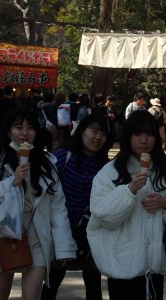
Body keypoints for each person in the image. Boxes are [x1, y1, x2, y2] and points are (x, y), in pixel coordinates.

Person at [86, 110, 166, 300]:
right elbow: (102, 215)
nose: (144, 140)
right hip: (121, 264)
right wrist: (129, 191)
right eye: (137, 134)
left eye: (149, 134)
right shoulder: (110, 172)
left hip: (154, 267)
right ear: (128, 137)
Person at [0, 109, 76, 300]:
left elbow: (58, 208)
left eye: (30, 128)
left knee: (31, 296)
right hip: (3, 236)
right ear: (8, 131)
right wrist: (12, 181)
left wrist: (64, 247)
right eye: (18, 127)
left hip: (37, 236)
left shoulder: (47, 164)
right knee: (0, 295)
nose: (24, 133)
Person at [41, 115, 111, 300]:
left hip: (91, 232)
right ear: (82, 132)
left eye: (103, 134)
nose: (98, 137)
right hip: (61, 230)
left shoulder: (106, 164)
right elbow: (41, 183)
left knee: (94, 283)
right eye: (94, 132)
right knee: (53, 280)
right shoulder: (63, 155)